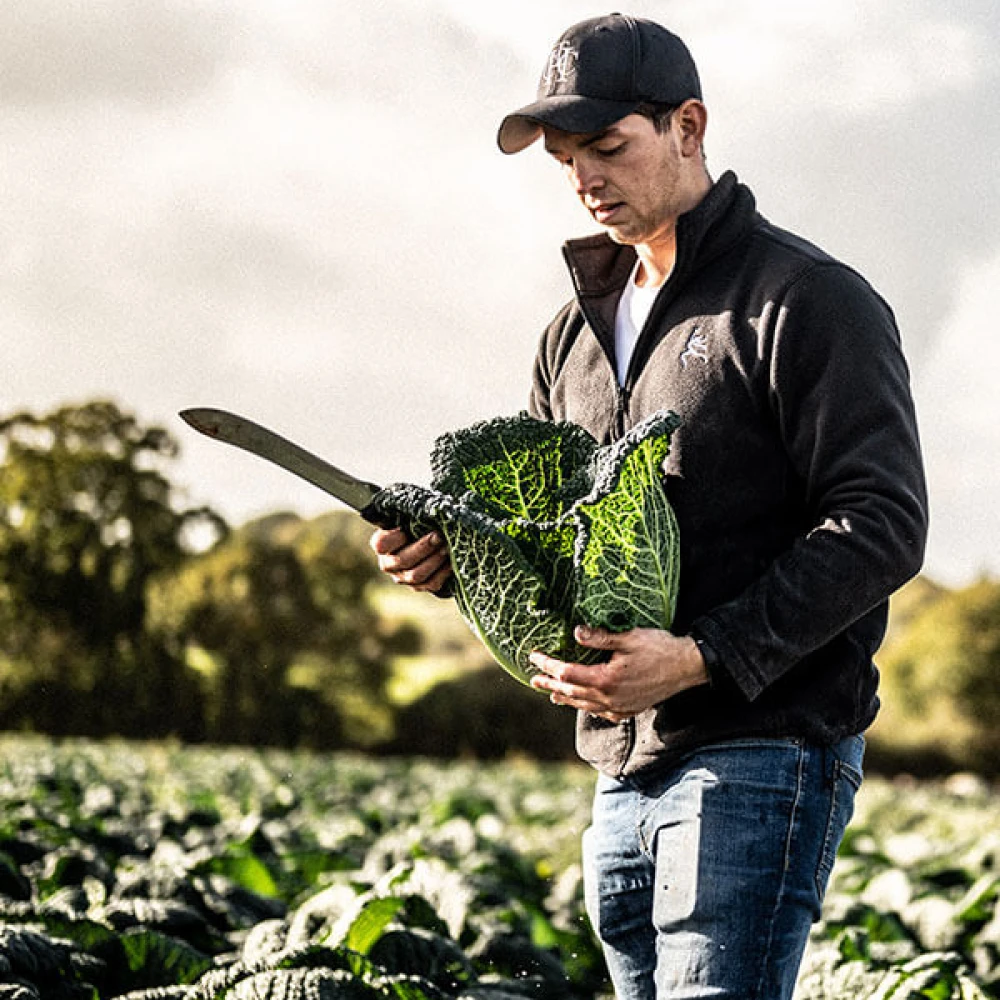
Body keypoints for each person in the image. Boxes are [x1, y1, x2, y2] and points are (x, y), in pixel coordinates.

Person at [371, 13, 928, 999]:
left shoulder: (804, 300)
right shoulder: (569, 337)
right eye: (565, 158)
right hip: (619, 771)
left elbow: (880, 522)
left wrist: (703, 655)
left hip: (762, 749)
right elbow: (548, 544)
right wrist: (455, 561)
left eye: (608, 147)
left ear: (688, 125)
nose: (585, 177)